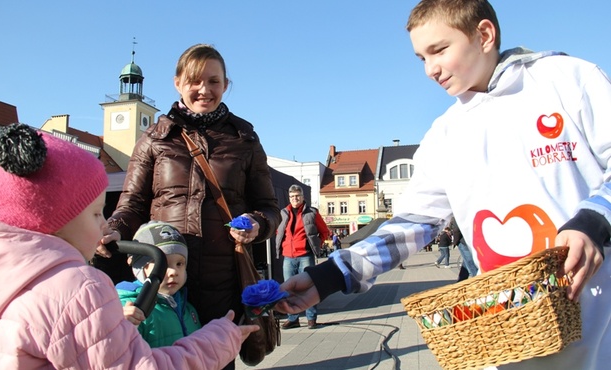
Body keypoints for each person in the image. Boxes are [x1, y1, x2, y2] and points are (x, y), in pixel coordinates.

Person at [276, 1, 611, 368]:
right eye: (421, 57)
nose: (430, 70)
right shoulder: (445, 134)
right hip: (514, 328)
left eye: (439, 50)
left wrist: (593, 222)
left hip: (598, 316)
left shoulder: (565, 80)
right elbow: (411, 225)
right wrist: (328, 276)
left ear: (484, 35)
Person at [0, 123, 258, 369]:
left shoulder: (8, 278)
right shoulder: (81, 290)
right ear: (58, 217)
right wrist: (218, 340)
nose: (104, 225)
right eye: (97, 213)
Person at [97, 43, 281, 369]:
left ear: (225, 85)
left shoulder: (244, 139)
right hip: (161, 283)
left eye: (213, 81)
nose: (204, 90)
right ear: (178, 83)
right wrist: (112, 229)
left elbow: (269, 207)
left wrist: (256, 223)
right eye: (195, 81)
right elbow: (132, 205)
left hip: (220, 284)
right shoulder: (155, 138)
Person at [117, 221, 201, 347]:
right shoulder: (131, 309)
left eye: (179, 264)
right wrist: (121, 327)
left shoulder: (188, 308)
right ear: (140, 268)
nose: (173, 272)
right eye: (164, 265)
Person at [275, 185, 330, 329]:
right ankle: (293, 319)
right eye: (292, 196)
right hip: (288, 256)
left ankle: (311, 318)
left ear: (303, 197)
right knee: (288, 290)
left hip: (306, 255)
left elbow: (324, 231)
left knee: (308, 288)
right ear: (289, 198)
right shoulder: (283, 213)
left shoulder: (311, 213)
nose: (295, 199)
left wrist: (316, 245)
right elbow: (279, 232)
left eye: (297, 196)